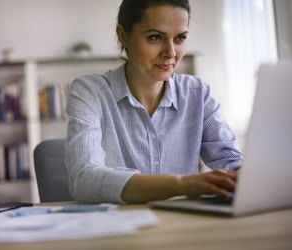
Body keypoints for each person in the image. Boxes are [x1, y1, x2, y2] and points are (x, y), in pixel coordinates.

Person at [64, 0, 243, 204]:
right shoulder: (90, 92)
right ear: (123, 36)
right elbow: (84, 179)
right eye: (155, 37)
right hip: (118, 227)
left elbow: (234, 164)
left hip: (182, 226)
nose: (171, 53)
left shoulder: (198, 94)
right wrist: (182, 185)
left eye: (180, 38)